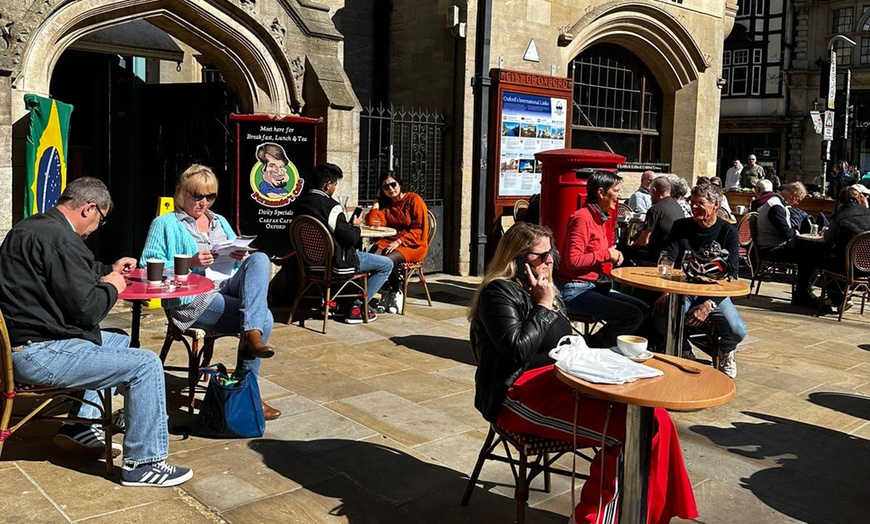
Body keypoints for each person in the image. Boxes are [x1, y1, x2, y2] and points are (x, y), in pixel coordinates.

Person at [468, 221, 698, 524]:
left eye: (552, 254)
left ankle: (651, 514)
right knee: (628, 434)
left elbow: (565, 343)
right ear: (517, 259)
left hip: (560, 383)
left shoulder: (543, 285)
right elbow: (517, 351)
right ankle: (595, 519)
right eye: (540, 256)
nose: (550, 261)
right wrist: (543, 305)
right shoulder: (499, 293)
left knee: (655, 419)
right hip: (517, 396)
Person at [0, 177, 193, 487]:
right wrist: (112, 287)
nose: (96, 229)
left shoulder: (33, 227)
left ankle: (77, 426)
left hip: (25, 342)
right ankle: (144, 463)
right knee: (145, 365)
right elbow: (88, 309)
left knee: (118, 337)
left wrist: (108, 270)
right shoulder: (63, 239)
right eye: (100, 220)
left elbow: (71, 273)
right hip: (39, 353)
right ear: (89, 208)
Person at [140, 164, 282, 420]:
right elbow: (147, 268)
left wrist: (239, 256)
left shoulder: (219, 221)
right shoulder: (165, 224)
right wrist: (191, 263)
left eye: (210, 196)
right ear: (182, 193)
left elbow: (236, 262)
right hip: (192, 297)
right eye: (197, 196)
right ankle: (249, 391)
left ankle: (250, 333)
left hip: (226, 285)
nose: (204, 202)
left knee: (259, 259)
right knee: (266, 319)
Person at [655, 183, 746, 378]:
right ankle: (684, 351)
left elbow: (732, 276)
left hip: (715, 292)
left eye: (700, 203)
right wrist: (666, 292)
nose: (694, 208)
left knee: (737, 330)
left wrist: (708, 305)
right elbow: (668, 260)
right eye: (692, 203)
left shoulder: (728, 232)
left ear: (716, 205)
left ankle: (725, 351)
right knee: (661, 316)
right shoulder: (681, 226)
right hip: (683, 287)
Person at [555, 171, 649, 347]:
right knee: (632, 315)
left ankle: (602, 343)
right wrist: (607, 254)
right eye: (616, 190)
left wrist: (613, 254)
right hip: (575, 289)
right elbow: (572, 260)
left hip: (593, 286)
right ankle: (597, 347)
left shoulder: (598, 218)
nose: (620, 196)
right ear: (600, 192)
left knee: (642, 308)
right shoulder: (582, 218)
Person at [295, 163, 393, 322]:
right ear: (327, 185)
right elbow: (350, 238)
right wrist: (355, 226)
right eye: (335, 184)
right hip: (338, 262)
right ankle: (357, 306)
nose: (335, 188)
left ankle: (339, 303)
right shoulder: (331, 206)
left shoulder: (300, 204)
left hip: (310, 262)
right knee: (386, 264)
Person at [364, 171, 430, 312]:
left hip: (413, 244)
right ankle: (386, 291)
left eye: (393, 184)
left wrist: (399, 241)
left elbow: (419, 229)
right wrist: (376, 203)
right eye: (386, 187)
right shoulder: (386, 205)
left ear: (399, 183)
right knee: (373, 255)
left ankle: (396, 290)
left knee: (388, 259)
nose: (391, 189)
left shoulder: (414, 199)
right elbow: (373, 222)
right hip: (389, 241)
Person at [755, 182, 826, 309]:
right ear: (793, 195)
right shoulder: (776, 206)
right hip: (771, 249)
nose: (798, 203)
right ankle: (803, 294)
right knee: (812, 256)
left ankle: (803, 292)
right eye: (798, 199)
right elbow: (786, 233)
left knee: (811, 253)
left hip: (774, 246)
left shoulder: (779, 204)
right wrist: (797, 232)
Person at [822, 186, 870, 312]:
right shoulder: (868, 213)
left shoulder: (840, 215)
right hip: (868, 267)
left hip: (848, 267)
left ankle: (838, 299)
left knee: (826, 257)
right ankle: (837, 299)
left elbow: (827, 238)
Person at [624, 175, 685, 265]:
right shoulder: (678, 208)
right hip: (674, 255)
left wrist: (633, 245)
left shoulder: (655, 210)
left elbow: (644, 241)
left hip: (657, 256)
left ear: (654, 190)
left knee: (622, 251)